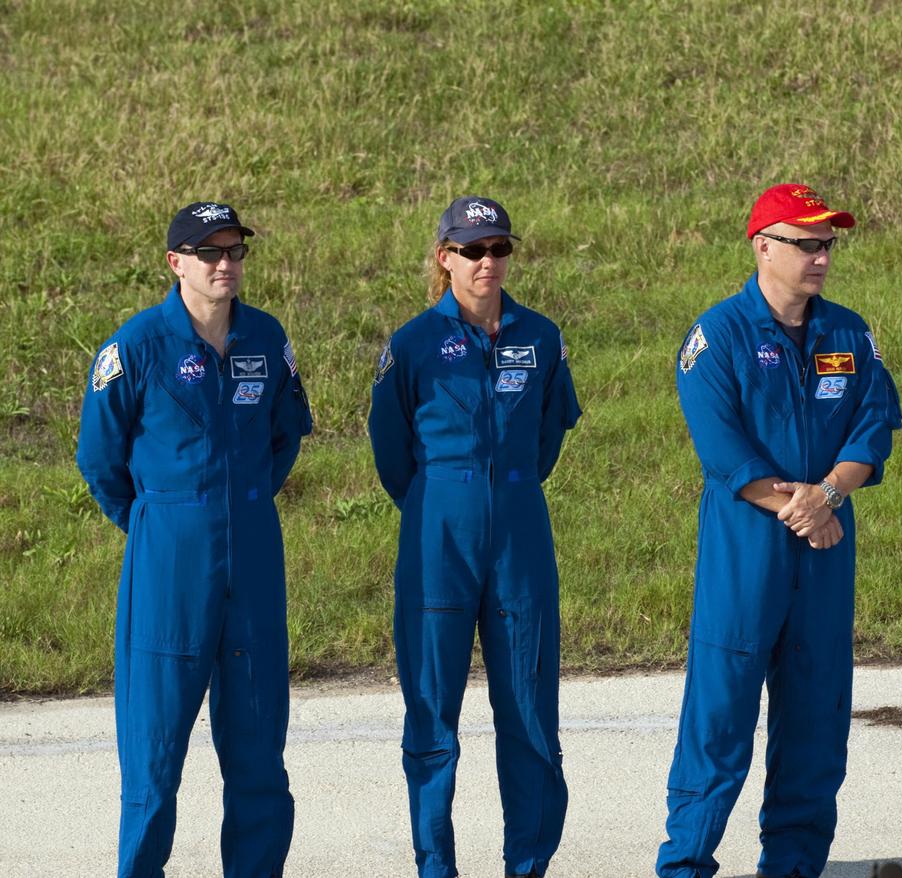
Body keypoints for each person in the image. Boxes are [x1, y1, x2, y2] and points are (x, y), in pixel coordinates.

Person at [657, 184, 902, 878]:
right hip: (748, 551)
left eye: (828, 243)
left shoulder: (850, 334)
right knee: (721, 717)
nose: (822, 256)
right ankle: (685, 863)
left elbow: (872, 426)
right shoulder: (719, 335)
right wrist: (801, 507)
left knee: (816, 719)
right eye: (807, 243)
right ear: (763, 246)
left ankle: (793, 866)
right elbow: (722, 447)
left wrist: (827, 495)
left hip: (824, 552)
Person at [77, 201, 313, 877]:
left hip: (253, 560)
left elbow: (285, 436)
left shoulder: (267, 340)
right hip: (168, 565)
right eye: (209, 253)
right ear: (175, 262)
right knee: (153, 759)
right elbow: (100, 461)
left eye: (235, 251)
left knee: (258, 755)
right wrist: (158, 524)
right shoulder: (136, 347)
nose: (225, 265)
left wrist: (238, 509)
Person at [368, 196, 582, 878]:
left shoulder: (542, 337)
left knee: (530, 715)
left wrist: (504, 488)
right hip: (438, 533)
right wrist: (447, 498)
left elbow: (550, 435)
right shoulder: (411, 345)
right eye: (471, 250)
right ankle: (436, 866)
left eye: (498, 249)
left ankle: (528, 863)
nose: (486, 262)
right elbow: (390, 449)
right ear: (445, 258)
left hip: (520, 529)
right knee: (433, 718)